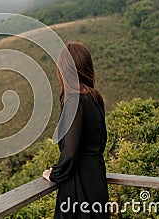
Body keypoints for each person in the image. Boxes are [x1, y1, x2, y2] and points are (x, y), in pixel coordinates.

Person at [42, 42, 109, 219]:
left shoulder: (75, 101)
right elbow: (101, 140)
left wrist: (55, 174)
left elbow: (70, 151)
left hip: (78, 187)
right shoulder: (95, 97)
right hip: (96, 179)